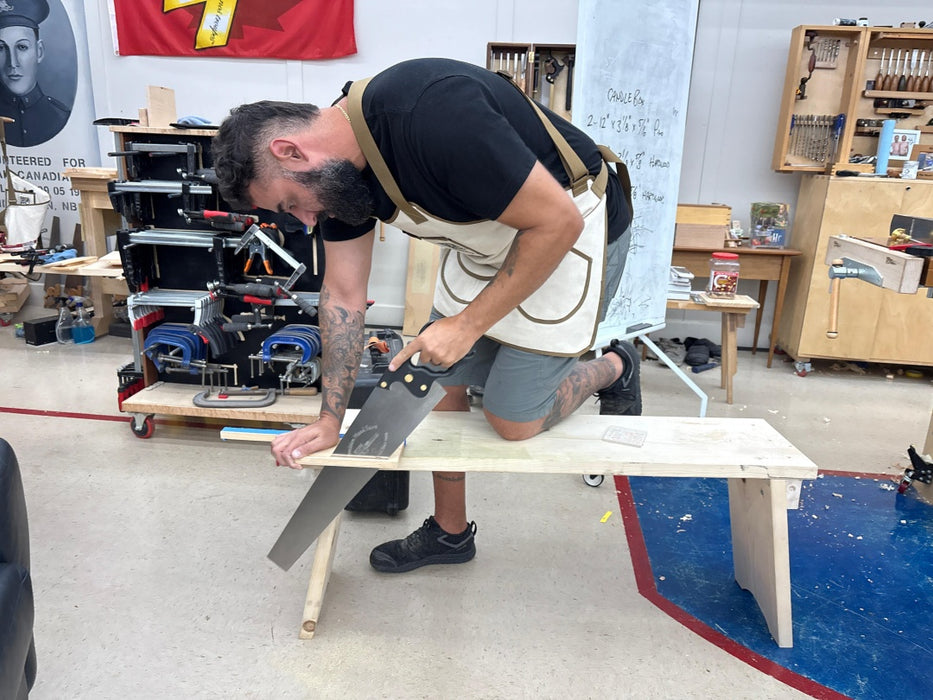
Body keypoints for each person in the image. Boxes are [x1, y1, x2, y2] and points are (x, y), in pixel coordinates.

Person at [212, 57, 641, 574]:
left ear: (291, 151)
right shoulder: (340, 180)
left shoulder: (432, 113)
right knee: (433, 381)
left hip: (571, 231)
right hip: (489, 243)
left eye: (289, 202)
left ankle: (617, 365)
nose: (303, 220)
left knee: (511, 419)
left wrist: (466, 327)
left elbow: (555, 221)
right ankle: (451, 533)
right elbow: (344, 294)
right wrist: (331, 420)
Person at [0, 0, 70, 147]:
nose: (12, 63)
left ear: (39, 52)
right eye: (1, 48)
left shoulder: (59, 116)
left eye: (22, 47)